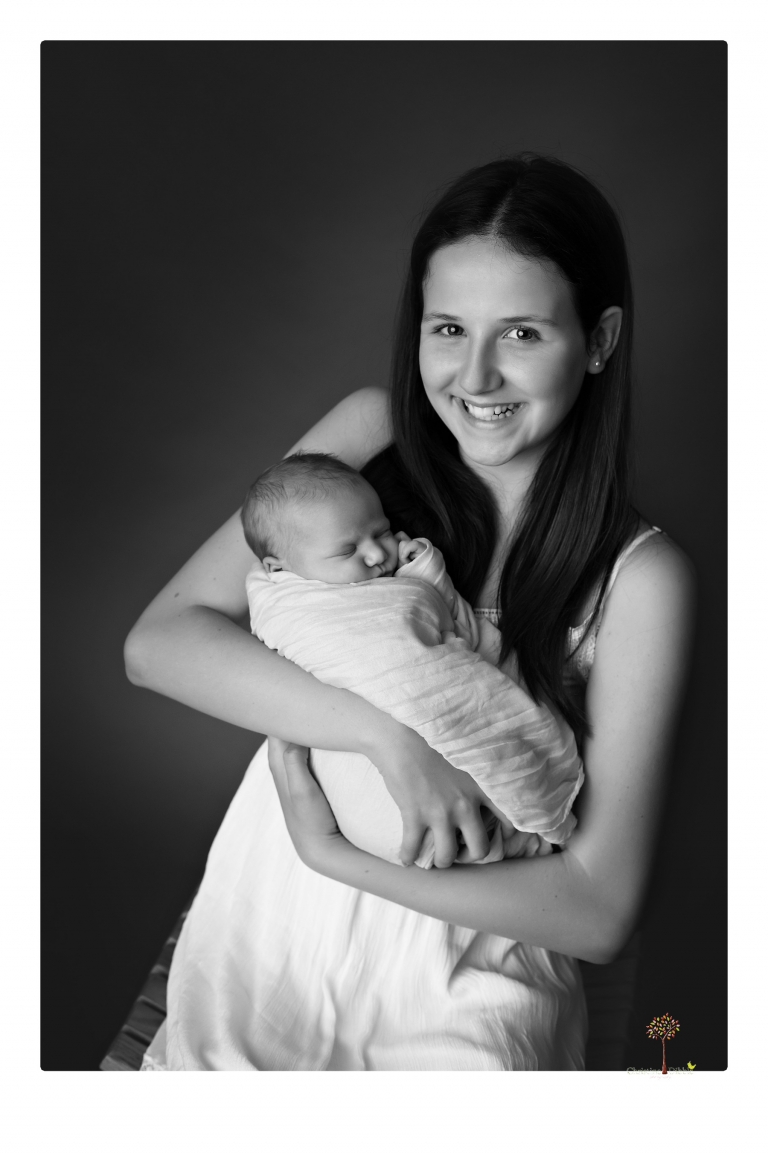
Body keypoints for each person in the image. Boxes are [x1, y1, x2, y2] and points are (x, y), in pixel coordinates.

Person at [126, 153, 695, 1071]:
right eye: (447, 328)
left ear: (598, 338)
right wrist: (393, 745)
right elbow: (159, 645)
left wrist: (342, 859)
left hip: (467, 993)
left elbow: (599, 911)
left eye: (520, 334)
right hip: (265, 953)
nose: (475, 375)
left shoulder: (642, 577)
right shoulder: (363, 442)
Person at [240, 450, 581, 867]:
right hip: (353, 792)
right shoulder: (290, 607)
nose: (376, 554)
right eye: (347, 550)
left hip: (422, 794)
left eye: (381, 531)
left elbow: (456, 629)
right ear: (279, 568)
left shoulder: (399, 587)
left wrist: (424, 572)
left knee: (484, 785)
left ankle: (513, 837)